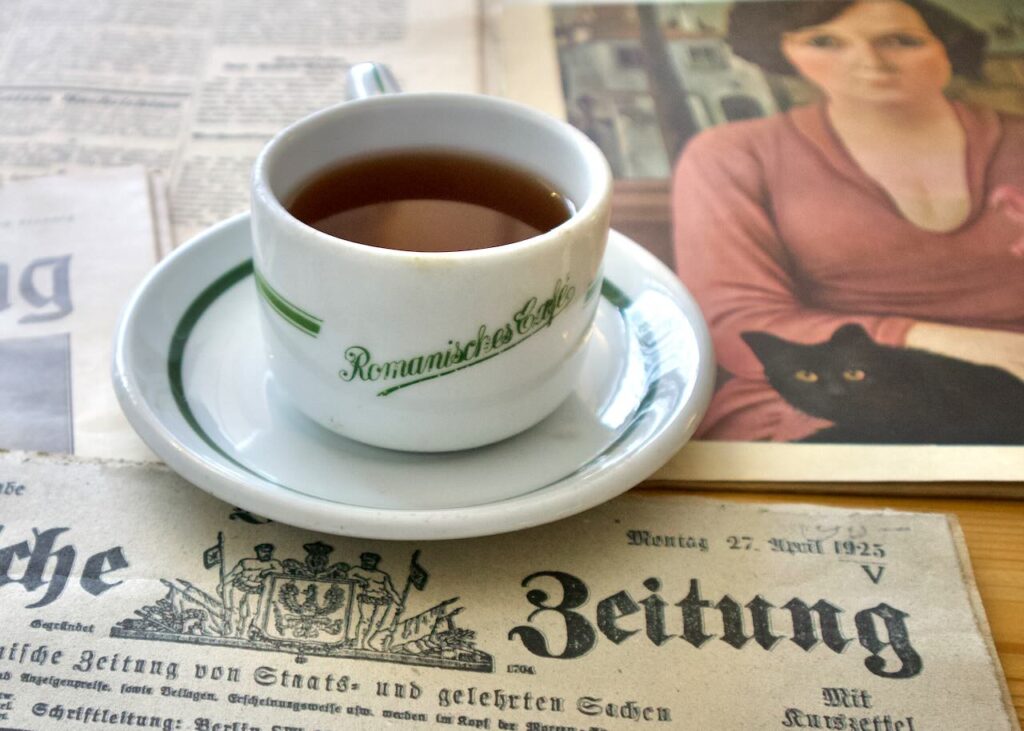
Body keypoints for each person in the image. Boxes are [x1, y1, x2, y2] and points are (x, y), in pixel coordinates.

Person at [673, 0, 1024, 442]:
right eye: (824, 42)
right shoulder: (733, 154)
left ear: (947, 46)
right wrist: (963, 344)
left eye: (900, 41)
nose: (870, 63)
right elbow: (737, 322)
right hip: (832, 391)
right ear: (784, 53)